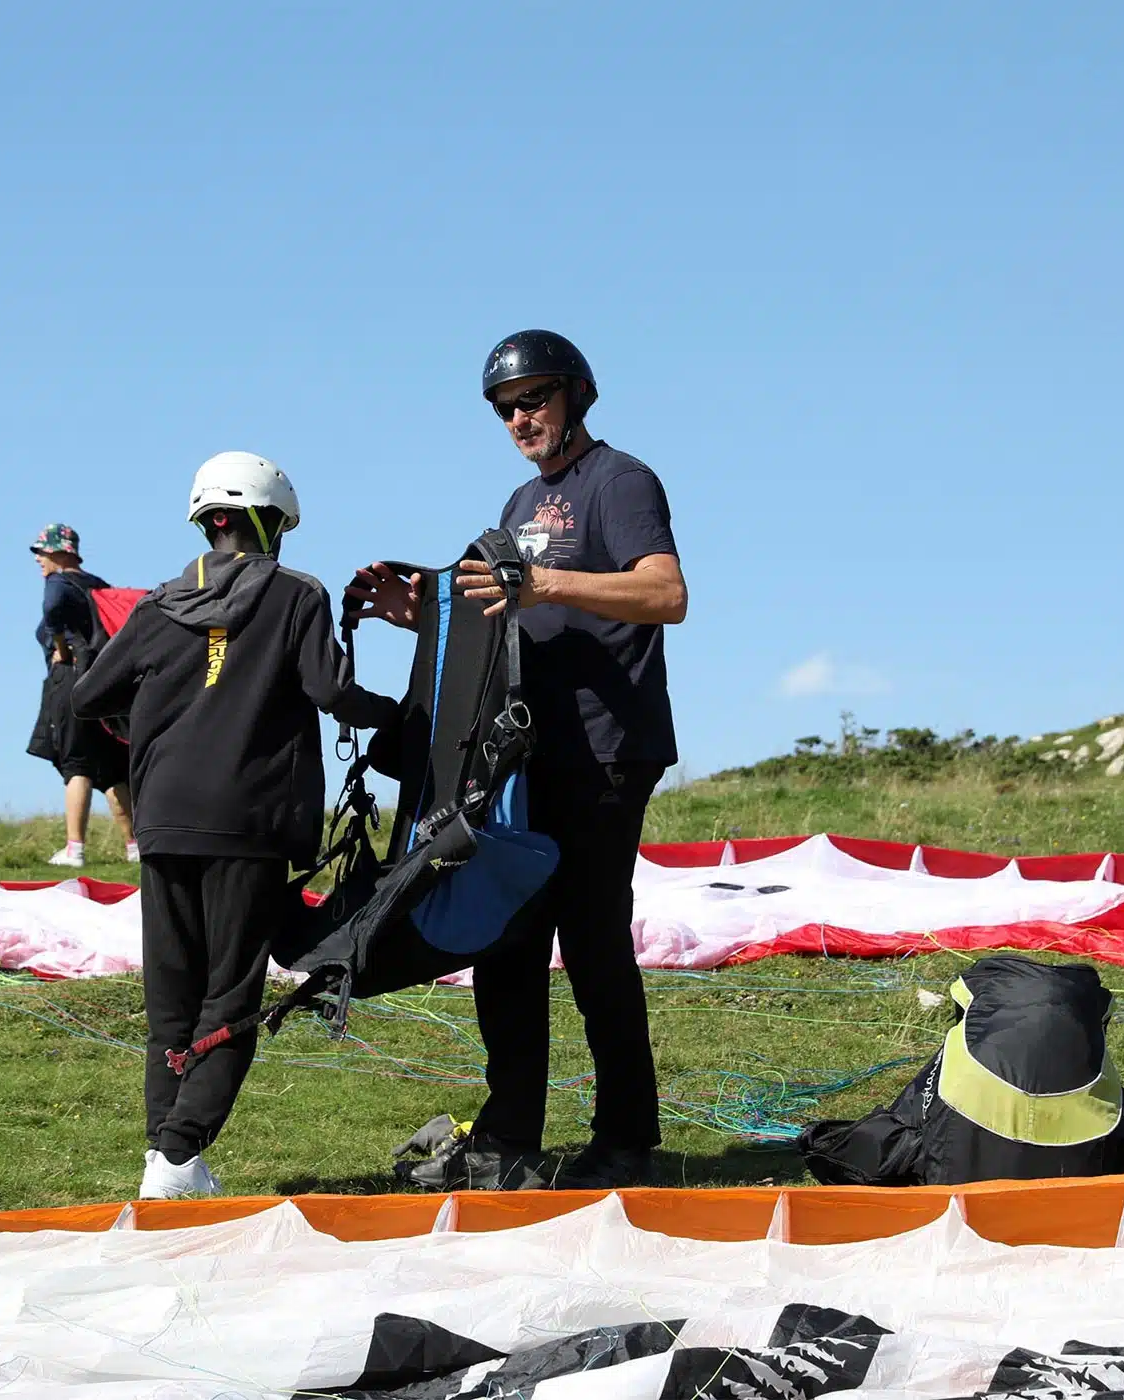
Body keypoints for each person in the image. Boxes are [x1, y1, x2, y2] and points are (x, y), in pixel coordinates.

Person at [350, 331, 687, 1189]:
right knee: (505, 941)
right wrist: (419, 610)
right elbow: (501, 617)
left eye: (532, 399)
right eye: (503, 408)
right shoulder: (518, 502)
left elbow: (665, 593)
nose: (517, 418)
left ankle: (625, 1141)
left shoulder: (620, 481)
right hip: (527, 757)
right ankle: (508, 1139)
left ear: (576, 394)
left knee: (592, 942)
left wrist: (544, 586)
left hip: (607, 752)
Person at [74, 452, 399, 1199]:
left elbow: (91, 692)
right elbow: (331, 690)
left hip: (162, 821)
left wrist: (160, 719)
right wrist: (408, 721)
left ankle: (166, 1158)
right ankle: (181, 1153)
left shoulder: (158, 603)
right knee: (229, 997)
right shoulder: (296, 595)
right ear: (273, 524)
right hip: (244, 821)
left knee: (172, 999)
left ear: (207, 522)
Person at [26, 523, 136, 867]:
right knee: (114, 768)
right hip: (103, 681)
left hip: (71, 678)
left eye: (42, 553)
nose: (39, 560)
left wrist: (59, 644)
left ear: (60, 553)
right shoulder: (97, 586)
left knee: (77, 764)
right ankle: (135, 847)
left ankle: (75, 849)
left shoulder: (58, 583)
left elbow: (53, 606)